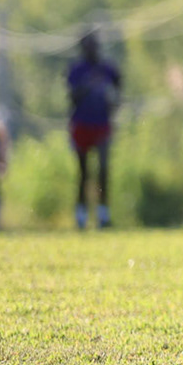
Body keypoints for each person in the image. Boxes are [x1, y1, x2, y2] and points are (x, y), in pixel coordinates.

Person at [66, 31, 122, 228]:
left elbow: (118, 92)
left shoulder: (108, 69)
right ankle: (81, 215)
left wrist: (113, 105)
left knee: (104, 170)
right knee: (83, 172)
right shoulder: (77, 70)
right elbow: (71, 97)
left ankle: (103, 213)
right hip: (82, 123)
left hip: (102, 123)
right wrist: (87, 87)